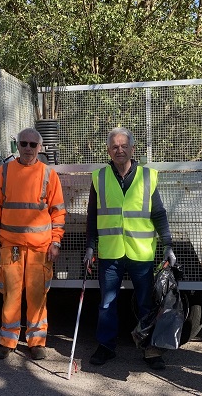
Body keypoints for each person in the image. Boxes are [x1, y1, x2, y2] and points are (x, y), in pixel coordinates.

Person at [84, 127, 176, 370]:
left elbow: (159, 213)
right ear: (108, 150)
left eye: (124, 146)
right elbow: (92, 216)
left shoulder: (148, 176)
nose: (120, 150)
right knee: (106, 303)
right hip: (110, 253)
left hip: (141, 252)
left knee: (146, 303)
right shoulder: (99, 177)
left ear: (133, 149)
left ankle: (150, 348)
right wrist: (90, 247)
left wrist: (168, 244)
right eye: (114, 146)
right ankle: (106, 346)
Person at [0, 127, 66, 360]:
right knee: (10, 295)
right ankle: (8, 341)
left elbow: (58, 213)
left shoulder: (48, 174)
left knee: (37, 295)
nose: (28, 149)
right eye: (24, 144)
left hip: (40, 248)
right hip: (10, 246)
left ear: (40, 148)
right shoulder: (4, 172)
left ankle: (37, 341)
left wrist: (56, 242)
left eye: (33, 145)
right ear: (17, 146)